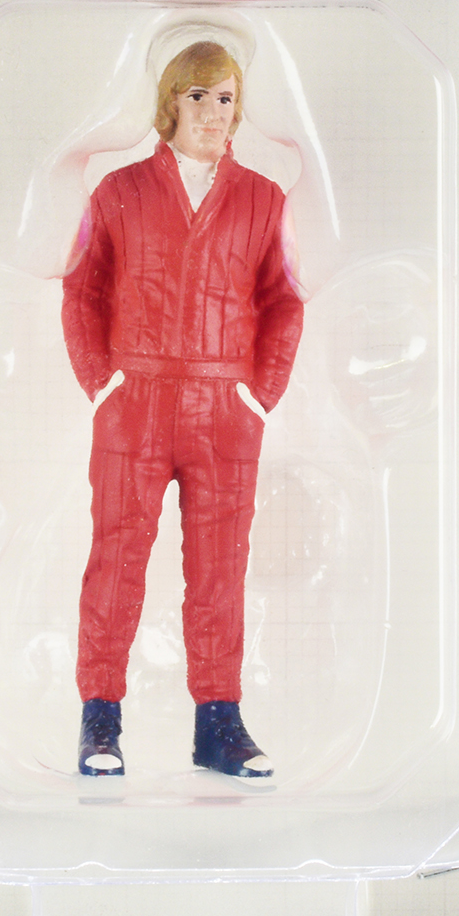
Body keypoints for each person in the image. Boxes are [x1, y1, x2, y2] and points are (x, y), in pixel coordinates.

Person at [60, 41, 305, 780]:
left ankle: (218, 724)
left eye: (225, 98)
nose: (212, 113)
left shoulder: (264, 200)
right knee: (116, 562)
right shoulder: (119, 192)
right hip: (135, 403)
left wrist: (258, 395)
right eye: (198, 97)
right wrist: (102, 382)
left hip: (224, 409)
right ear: (171, 102)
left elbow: (284, 301)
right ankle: (100, 719)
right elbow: (83, 289)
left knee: (220, 568)